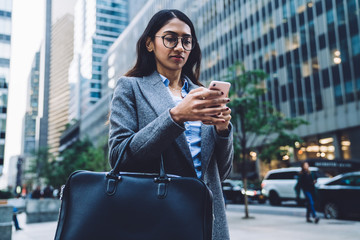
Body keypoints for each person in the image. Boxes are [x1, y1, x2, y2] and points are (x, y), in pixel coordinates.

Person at [108, 9, 234, 240]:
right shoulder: (131, 87)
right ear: (149, 44)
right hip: (158, 213)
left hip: (208, 217)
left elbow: (222, 173)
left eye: (186, 41)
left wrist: (223, 132)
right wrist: (175, 117)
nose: (179, 47)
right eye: (170, 38)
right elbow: (118, 156)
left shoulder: (202, 94)